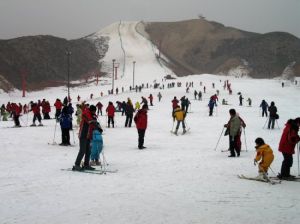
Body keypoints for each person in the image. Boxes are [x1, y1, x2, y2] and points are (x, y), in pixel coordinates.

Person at [73, 105, 97, 171]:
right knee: (82, 151)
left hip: (89, 135)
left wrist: (97, 127)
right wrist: (94, 121)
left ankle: (86, 165)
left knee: (88, 151)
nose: (95, 112)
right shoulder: (86, 114)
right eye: (94, 111)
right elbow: (89, 121)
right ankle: (76, 165)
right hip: (83, 135)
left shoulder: (92, 114)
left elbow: (93, 124)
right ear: (91, 110)